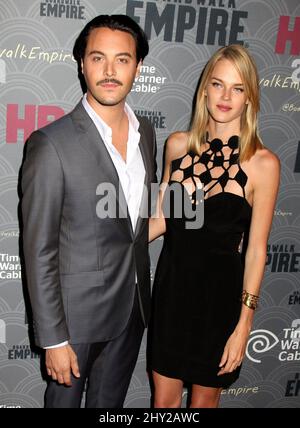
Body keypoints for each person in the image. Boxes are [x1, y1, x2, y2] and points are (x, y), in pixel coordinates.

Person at [21, 14, 156, 408]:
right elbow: (39, 249)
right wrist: (54, 339)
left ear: (138, 67)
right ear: (82, 63)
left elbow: (132, 222)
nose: (110, 71)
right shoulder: (51, 144)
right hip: (73, 322)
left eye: (123, 60)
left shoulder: (145, 132)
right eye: (98, 58)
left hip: (132, 309)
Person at [148, 44, 280, 408]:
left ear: (249, 97)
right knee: (164, 405)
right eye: (218, 84)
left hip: (219, 304)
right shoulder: (176, 146)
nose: (225, 96)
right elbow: (160, 221)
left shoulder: (263, 164)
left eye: (238, 88)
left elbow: (255, 250)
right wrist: (100, 239)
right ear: (204, 88)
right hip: (172, 294)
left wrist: (244, 325)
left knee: (204, 405)